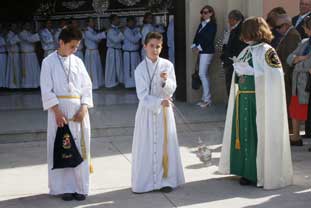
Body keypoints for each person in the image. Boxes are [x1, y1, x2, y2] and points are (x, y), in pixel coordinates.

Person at [219, 17, 293, 189]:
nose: (243, 36)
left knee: (255, 135)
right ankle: (245, 170)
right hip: (243, 98)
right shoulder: (247, 50)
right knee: (243, 136)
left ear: (254, 31)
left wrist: (253, 72)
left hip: (258, 100)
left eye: (245, 32)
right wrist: (238, 71)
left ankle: (256, 173)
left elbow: (276, 76)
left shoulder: (268, 51)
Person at [40, 26, 93, 201]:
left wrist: (84, 107)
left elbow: (87, 87)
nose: (75, 50)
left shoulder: (78, 62)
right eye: (72, 46)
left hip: (78, 113)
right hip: (59, 114)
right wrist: (56, 111)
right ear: (61, 42)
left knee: (79, 148)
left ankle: (80, 187)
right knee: (62, 147)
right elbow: (47, 90)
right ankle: (64, 188)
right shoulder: (48, 62)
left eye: (77, 46)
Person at [131, 32, 185, 193]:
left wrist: (164, 82)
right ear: (145, 46)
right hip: (147, 110)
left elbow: (172, 87)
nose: (155, 50)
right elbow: (142, 94)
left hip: (164, 111)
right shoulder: (140, 69)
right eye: (152, 46)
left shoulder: (167, 65)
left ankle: (165, 180)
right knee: (146, 145)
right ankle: (146, 182)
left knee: (165, 144)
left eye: (158, 46)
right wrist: (157, 102)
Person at [287, 16, 311, 145]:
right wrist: (301, 59)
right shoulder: (304, 42)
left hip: (308, 83)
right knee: (295, 110)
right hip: (299, 83)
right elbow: (289, 58)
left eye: (306, 28)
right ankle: (295, 137)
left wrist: (298, 62)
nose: (305, 30)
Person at [275, 14, 301, 132]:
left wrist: (284, 73)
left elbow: (291, 57)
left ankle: (291, 130)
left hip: (289, 76)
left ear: (286, 25)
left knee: (290, 101)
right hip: (286, 75)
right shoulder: (288, 35)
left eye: (279, 26)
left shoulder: (293, 35)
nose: (277, 29)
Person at [192, 5, 217, 107]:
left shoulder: (212, 24)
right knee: (204, 74)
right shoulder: (201, 24)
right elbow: (197, 36)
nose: (203, 14)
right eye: (202, 12)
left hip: (207, 51)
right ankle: (204, 98)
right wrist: (194, 45)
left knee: (202, 74)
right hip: (202, 52)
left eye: (206, 12)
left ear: (211, 13)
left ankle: (207, 100)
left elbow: (209, 38)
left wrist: (199, 48)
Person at [221, 10, 247, 96]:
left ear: (234, 19)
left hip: (234, 61)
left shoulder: (241, 29)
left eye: (229, 19)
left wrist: (230, 57)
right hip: (230, 60)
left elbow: (239, 46)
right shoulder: (233, 29)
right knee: (229, 84)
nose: (228, 22)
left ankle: (232, 106)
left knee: (232, 85)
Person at [84, 18, 106, 89]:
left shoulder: (93, 31)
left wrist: (99, 37)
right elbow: (95, 38)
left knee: (97, 67)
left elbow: (98, 40)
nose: (94, 23)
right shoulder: (87, 32)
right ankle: (92, 85)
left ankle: (98, 83)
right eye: (92, 21)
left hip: (95, 51)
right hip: (90, 52)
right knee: (92, 68)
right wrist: (103, 33)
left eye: (93, 21)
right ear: (88, 23)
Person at [19, 22, 41, 88]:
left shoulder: (30, 33)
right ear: (24, 26)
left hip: (32, 54)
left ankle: (35, 84)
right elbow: (30, 39)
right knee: (28, 70)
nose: (28, 26)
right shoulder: (22, 33)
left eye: (29, 25)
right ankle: (27, 85)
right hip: (27, 55)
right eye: (27, 25)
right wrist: (37, 33)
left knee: (34, 69)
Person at [105, 14, 124, 88]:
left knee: (119, 67)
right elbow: (115, 40)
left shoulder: (117, 29)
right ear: (112, 21)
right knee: (112, 67)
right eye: (117, 19)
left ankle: (119, 81)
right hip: (112, 51)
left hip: (117, 50)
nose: (118, 20)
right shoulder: (110, 31)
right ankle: (110, 83)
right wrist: (121, 33)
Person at [122, 16, 141, 88]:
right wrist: (139, 34)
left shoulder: (132, 30)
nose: (133, 24)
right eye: (132, 22)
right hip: (129, 54)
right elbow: (134, 40)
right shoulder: (126, 30)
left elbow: (136, 30)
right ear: (128, 22)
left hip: (134, 53)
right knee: (130, 69)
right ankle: (129, 84)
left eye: (134, 22)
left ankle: (135, 84)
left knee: (135, 68)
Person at [6, 23, 21, 89]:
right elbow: (10, 42)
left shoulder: (14, 34)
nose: (15, 28)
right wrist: (17, 37)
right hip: (12, 55)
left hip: (16, 54)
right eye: (13, 26)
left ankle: (17, 85)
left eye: (15, 26)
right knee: (12, 70)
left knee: (17, 69)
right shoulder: (9, 34)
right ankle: (12, 85)